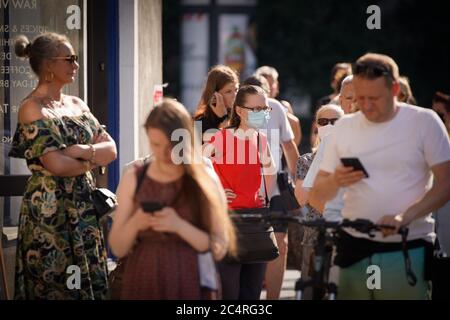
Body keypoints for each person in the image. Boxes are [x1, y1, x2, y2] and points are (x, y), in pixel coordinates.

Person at [313, 53, 450, 300]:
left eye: (374, 98)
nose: (365, 106)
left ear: (395, 89)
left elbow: (446, 182)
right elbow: (317, 192)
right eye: (360, 98)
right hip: (353, 247)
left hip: (407, 247)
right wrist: (335, 181)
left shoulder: (424, 122)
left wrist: (404, 216)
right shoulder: (344, 127)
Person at [8, 33, 117, 299]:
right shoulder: (31, 108)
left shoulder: (77, 104)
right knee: (55, 283)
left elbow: (112, 150)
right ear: (48, 65)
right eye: (69, 59)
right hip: (50, 210)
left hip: (83, 207)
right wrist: (93, 158)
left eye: (76, 59)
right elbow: (56, 165)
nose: (76, 65)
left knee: (85, 280)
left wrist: (80, 152)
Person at [108, 98, 236, 300]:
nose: (162, 153)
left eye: (171, 145)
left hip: (190, 279)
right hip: (142, 279)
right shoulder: (134, 176)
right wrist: (135, 223)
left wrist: (178, 226)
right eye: (155, 144)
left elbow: (219, 247)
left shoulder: (203, 175)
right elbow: (117, 247)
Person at [205, 85, 277, 300]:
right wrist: (215, 190)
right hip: (226, 223)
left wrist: (266, 197)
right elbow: (194, 169)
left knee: (252, 293)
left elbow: (270, 171)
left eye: (265, 108)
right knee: (230, 293)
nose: (262, 113)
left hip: (256, 223)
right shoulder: (221, 138)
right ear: (239, 111)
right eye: (256, 109)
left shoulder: (261, 139)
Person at [254, 66, 300, 300]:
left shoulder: (277, 108)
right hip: (245, 191)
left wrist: (300, 184)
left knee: (279, 245)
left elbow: (290, 146)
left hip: (276, 186)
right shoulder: (236, 112)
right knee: (250, 246)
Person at [291, 104, 344, 299]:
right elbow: (302, 198)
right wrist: (321, 157)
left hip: (344, 234)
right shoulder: (306, 160)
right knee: (309, 291)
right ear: (316, 126)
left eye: (335, 121)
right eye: (323, 122)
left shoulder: (352, 159)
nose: (329, 125)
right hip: (314, 235)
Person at [194, 65, 239, 137]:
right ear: (214, 95)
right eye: (228, 91)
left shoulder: (240, 117)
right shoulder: (201, 124)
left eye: (236, 90)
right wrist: (223, 118)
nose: (235, 95)